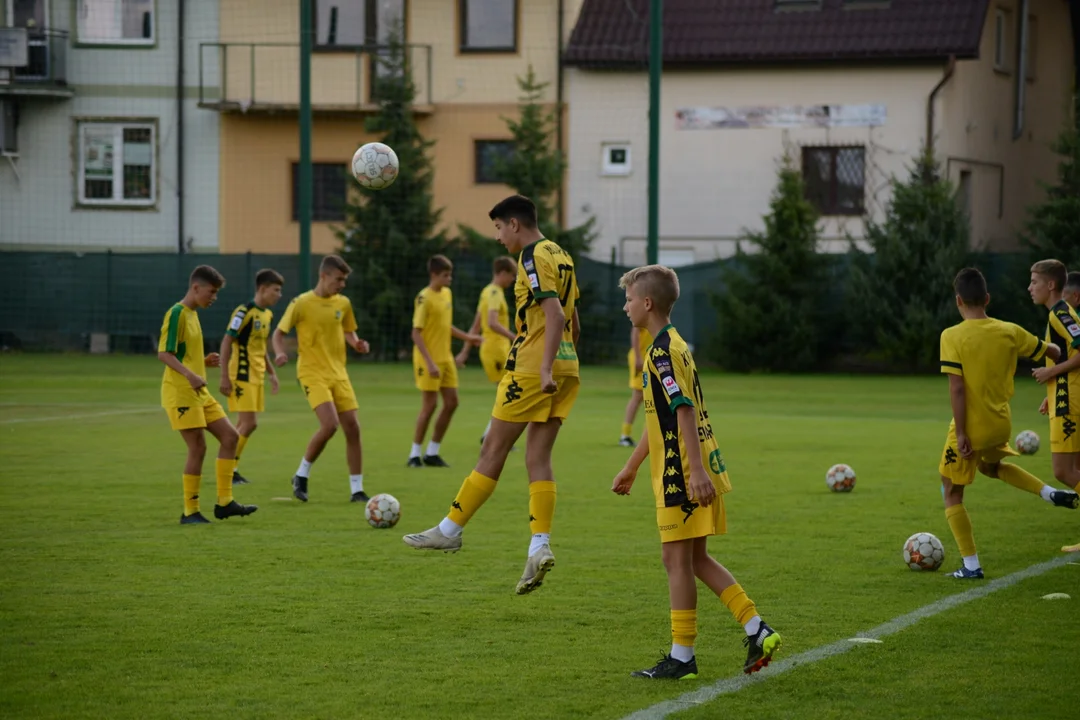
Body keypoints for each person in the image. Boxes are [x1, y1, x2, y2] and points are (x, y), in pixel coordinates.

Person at [403, 195, 581, 596]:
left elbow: (553, 314)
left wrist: (545, 366)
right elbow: (572, 319)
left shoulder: (533, 256)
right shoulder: (561, 253)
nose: (499, 238)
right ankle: (539, 545)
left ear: (514, 224)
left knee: (492, 452)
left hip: (534, 366)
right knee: (538, 457)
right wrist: (564, 362)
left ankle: (449, 530)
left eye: (500, 229)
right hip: (567, 365)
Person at [611, 265, 781, 679]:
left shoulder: (660, 352)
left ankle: (682, 656)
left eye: (629, 299)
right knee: (695, 558)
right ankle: (757, 629)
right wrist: (632, 466)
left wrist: (696, 472)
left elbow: (682, 409)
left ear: (647, 303)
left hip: (682, 471)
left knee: (676, 559)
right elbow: (662, 417)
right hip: (693, 463)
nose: (625, 306)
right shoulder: (676, 344)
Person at [939, 268, 1077, 579]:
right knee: (989, 468)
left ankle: (971, 566)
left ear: (958, 300)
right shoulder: (1009, 331)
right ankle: (1048, 493)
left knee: (950, 490)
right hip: (1001, 424)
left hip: (971, 428)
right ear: (987, 298)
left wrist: (961, 433)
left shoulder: (951, 335)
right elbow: (1054, 351)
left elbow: (957, 388)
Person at [158, 265, 258, 524]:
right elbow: (164, 354)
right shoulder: (178, 313)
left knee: (230, 436)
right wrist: (190, 375)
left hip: (198, 392)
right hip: (181, 392)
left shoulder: (193, 314)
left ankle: (224, 503)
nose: (214, 297)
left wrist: (202, 362)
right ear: (196, 287)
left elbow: (182, 355)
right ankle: (190, 512)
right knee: (198, 447)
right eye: (211, 292)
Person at [272, 255, 372, 503]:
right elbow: (279, 333)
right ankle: (301, 474)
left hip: (339, 372)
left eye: (344, 280)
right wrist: (281, 352)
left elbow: (348, 330)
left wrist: (356, 343)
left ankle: (357, 489)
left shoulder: (344, 303)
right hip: (311, 372)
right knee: (330, 425)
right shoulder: (302, 303)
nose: (342, 284)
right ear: (323, 276)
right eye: (338, 279)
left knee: (353, 428)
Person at [407, 255, 483, 468]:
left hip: (446, 358)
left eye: (450, 274)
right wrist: (429, 363)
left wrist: (469, 338)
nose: (449, 279)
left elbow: (445, 326)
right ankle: (414, 454)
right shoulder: (424, 297)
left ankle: (432, 452)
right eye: (445, 275)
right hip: (427, 360)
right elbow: (416, 333)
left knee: (452, 403)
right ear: (433, 275)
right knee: (429, 406)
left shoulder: (447, 294)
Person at [1028, 260, 1080, 554]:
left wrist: (1050, 374)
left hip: (1069, 401)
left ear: (1050, 285)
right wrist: (1052, 389)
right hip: (1065, 396)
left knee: (1063, 471)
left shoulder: (1060, 312)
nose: (1029, 287)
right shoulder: (1058, 315)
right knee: (1076, 468)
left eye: (1034, 281)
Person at [219, 268, 284, 485]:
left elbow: (260, 346)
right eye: (276, 290)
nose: (279, 295)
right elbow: (227, 341)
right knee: (249, 424)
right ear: (263, 289)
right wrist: (224, 376)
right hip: (241, 374)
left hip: (257, 376)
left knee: (243, 424)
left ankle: (230, 468)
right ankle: (229, 468)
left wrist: (272, 373)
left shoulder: (267, 314)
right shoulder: (243, 312)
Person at [456, 256, 518, 445]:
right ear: (503, 273)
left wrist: (464, 352)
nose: (513, 280)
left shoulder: (486, 292)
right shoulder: (494, 293)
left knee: (507, 392)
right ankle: (494, 437)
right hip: (495, 349)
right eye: (512, 275)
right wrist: (514, 337)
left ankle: (491, 435)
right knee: (509, 392)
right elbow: (491, 322)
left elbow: (476, 325)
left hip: (494, 349)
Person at [619, 326, 654, 447]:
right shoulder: (644, 309)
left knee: (653, 396)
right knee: (638, 395)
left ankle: (652, 435)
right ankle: (625, 435)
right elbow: (635, 331)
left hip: (651, 358)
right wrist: (638, 357)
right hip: (642, 358)